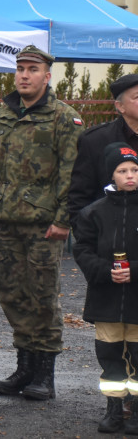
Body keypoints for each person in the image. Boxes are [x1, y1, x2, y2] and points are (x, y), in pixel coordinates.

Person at [0, 45, 84, 401]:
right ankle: (24, 366)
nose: (24, 75)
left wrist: (63, 221)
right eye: (20, 69)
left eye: (32, 69)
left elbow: (71, 174)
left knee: (42, 297)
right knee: (12, 295)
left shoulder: (63, 117)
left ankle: (45, 373)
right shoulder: (1, 116)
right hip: (5, 221)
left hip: (44, 225)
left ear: (47, 75)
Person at [73, 143, 138, 434]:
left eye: (135, 169)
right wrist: (105, 272)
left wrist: (132, 271)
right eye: (122, 170)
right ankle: (114, 408)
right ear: (112, 175)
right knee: (109, 354)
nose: (130, 175)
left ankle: (135, 410)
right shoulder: (93, 213)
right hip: (105, 297)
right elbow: (83, 249)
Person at [70, 73, 138, 226]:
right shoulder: (94, 141)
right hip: (111, 239)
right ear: (120, 106)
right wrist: (88, 240)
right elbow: (79, 197)